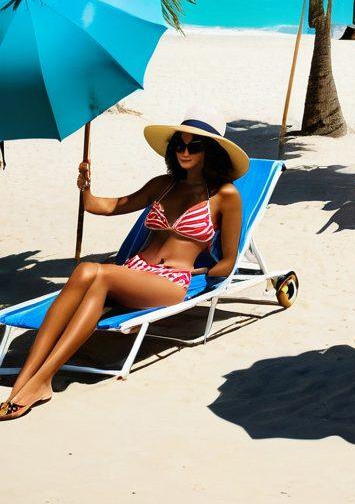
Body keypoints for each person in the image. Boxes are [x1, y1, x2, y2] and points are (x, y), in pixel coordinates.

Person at [0, 108, 249, 421]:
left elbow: (228, 260)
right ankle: (25, 381)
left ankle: (43, 379)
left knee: (101, 275)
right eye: (179, 145)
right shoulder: (164, 185)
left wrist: (203, 274)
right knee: (86, 271)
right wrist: (86, 187)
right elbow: (106, 206)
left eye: (194, 146)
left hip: (170, 281)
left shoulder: (225, 195)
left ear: (210, 151)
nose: (184, 152)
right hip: (134, 270)